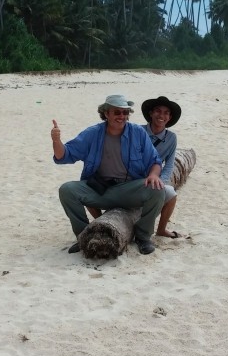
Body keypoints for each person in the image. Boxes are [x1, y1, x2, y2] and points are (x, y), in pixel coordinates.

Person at [51, 94, 166, 255]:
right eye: (117, 112)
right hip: (101, 190)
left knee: (158, 189)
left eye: (125, 113)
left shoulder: (138, 133)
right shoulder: (93, 133)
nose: (122, 116)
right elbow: (64, 156)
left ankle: (143, 237)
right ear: (106, 114)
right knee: (67, 190)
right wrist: (56, 141)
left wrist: (154, 175)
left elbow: (155, 161)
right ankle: (83, 235)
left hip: (129, 190)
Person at [140, 96, 183, 238]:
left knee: (171, 194)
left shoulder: (171, 138)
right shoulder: (138, 131)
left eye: (166, 113)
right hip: (133, 178)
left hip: (154, 180)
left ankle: (161, 229)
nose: (161, 115)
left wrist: (161, 182)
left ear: (169, 117)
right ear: (151, 113)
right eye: (158, 111)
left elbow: (169, 164)